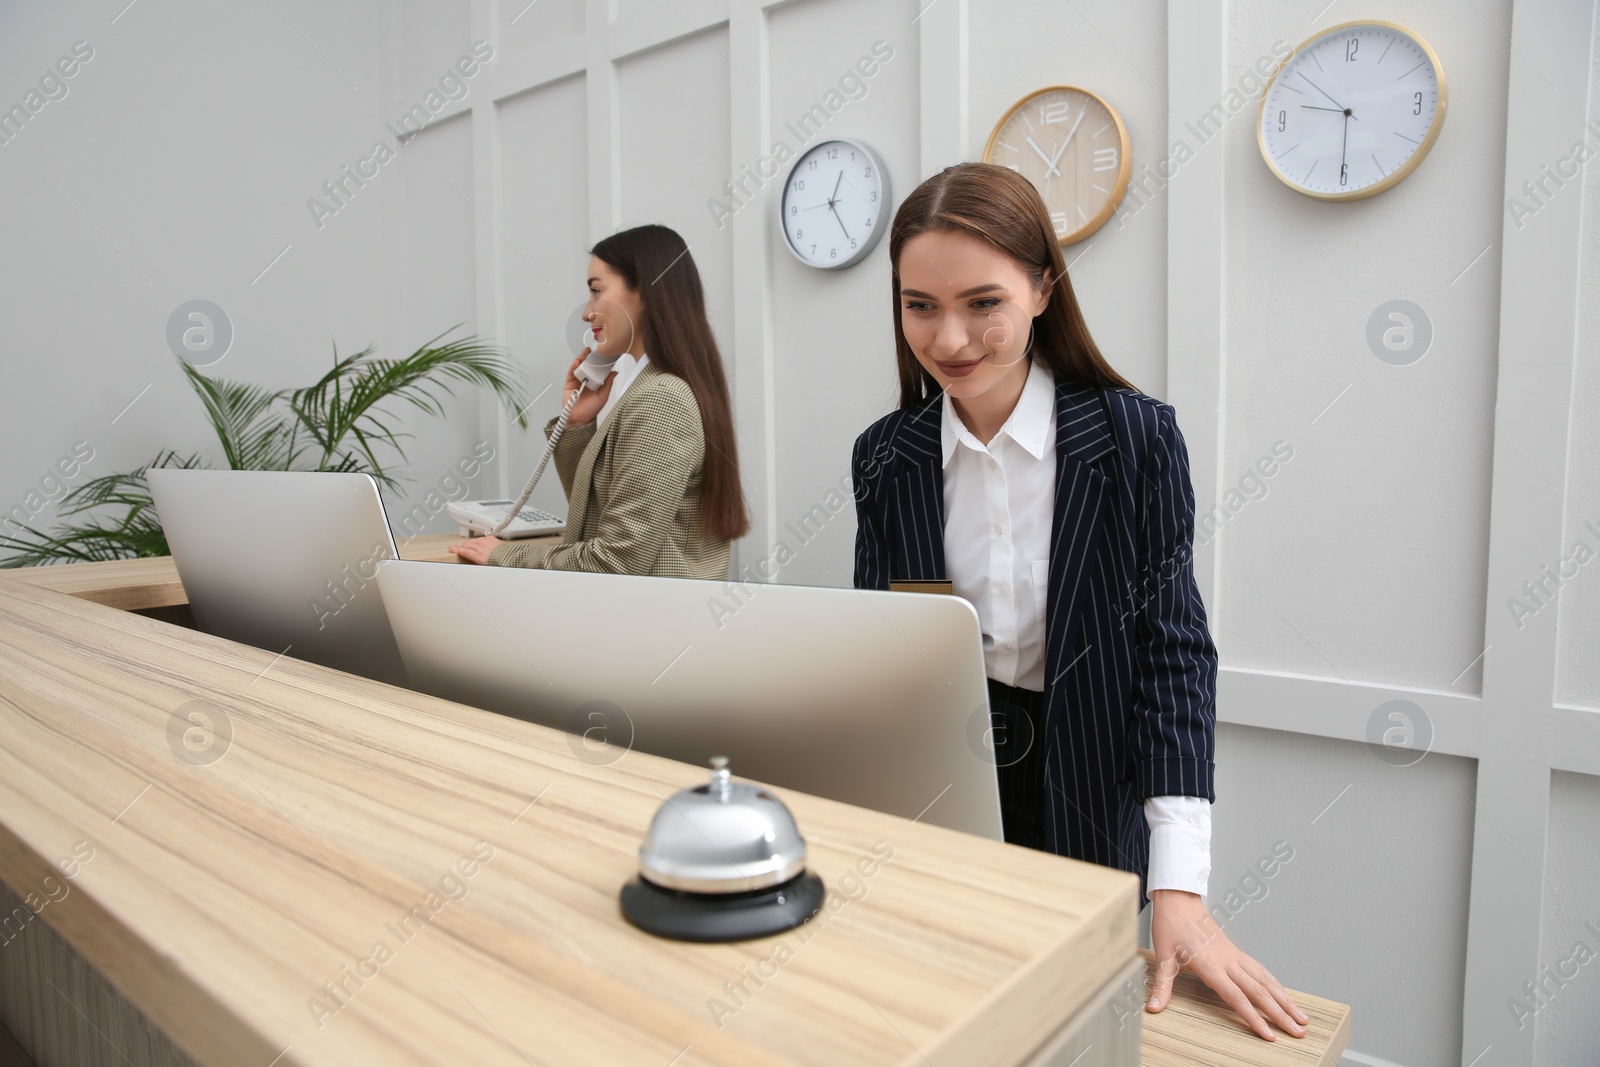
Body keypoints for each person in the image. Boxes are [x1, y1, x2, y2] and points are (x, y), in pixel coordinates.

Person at [850, 163, 1309, 1041]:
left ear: (1044, 288)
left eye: (984, 302)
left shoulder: (1134, 437)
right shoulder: (885, 455)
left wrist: (1180, 889)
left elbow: (1174, 658)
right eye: (919, 305)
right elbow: (884, 647)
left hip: (1088, 783)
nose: (949, 338)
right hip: (949, 779)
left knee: (1069, 1028)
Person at [451, 224, 747, 578]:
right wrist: (576, 424)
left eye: (596, 291)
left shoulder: (661, 399)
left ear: (646, 293)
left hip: (650, 623)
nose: (586, 312)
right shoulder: (649, 388)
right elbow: (597, 519)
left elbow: (616, 560)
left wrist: (507, 556)